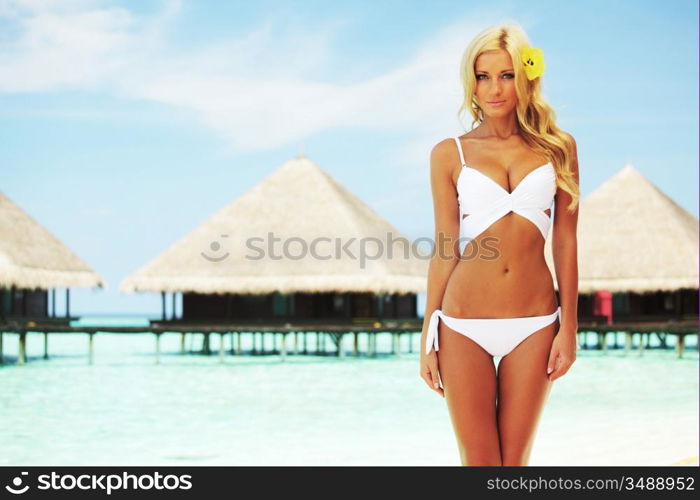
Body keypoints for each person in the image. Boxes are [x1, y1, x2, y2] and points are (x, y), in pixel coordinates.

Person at [419, 23, 580, 466]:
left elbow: (566, 241)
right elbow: (445, 245)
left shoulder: (558, 148)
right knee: (480, 463)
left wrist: (570, 326)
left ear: (526, 78)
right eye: (483, 76)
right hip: (461, 323)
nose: (494, 88)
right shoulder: (449, 153)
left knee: (516, 463)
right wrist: (427, 333)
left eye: (506, 75)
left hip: (535, 321)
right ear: (470, 82)